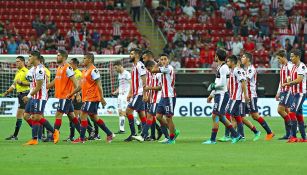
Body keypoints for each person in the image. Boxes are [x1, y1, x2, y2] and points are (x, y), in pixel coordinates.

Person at [68, 53, 115, 143]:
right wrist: (72, 93)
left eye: (85, 58)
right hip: (86, 98)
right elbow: (80, 86)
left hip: (92, 97)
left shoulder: (94, 70)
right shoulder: (84, 71)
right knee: (94, 118)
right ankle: (109, 134)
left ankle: (82, 139)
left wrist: (102, 98)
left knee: (82, 115)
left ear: (90, 60)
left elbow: (99, 85)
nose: (83, 60)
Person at [203, 49, 242, 144]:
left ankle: (212, 139)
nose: (214, 57)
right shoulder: (220, 67)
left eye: (215, 55)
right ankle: (236, 135)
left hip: (222, 94)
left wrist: (214, 86)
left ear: (217, 56)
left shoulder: (223, 67)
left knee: (215, 115)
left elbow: (223, 83)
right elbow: (217, 81)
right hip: (218, 94)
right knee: (220, 116)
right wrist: (211, 94)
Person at [23, 51, 59, 145]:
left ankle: (54, 132)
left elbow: (38, 87)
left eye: (30, 57)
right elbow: (28, 78)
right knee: (27, 116)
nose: (28, 59)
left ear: (35, 57)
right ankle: (35, 137)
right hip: (33, 96)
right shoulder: (32, 69)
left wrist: (28, 96)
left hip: (39, 96)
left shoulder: (40, 70)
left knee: (37, 117)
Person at [46, 50, 81, 140]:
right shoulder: (59, 68)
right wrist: (46, 87)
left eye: (58, 55)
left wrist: (77, 94)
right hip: (62, 96)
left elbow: (75, 82)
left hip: (66, 96)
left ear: (64, 57)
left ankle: (55, 136)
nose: (56, 57)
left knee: (58, 115)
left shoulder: (68, 68)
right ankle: (82, 134)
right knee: (72, 116)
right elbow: (56, 80)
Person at [241, 52, 275, 140]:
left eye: (243, 57)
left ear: (248, 59)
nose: (242, 58)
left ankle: (269, 132)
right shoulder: (245, 69)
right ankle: (241, 135)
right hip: (245, 95)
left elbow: (245, 80)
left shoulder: (251, 69)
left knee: (255, 116)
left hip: (250, 96)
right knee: (240, 116)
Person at [150, 54, 180, 144]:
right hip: (163, 96)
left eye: (165, 59)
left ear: (168, 60)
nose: (163, 61)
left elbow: (153, 70)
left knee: (168, 118)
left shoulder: (168, 68)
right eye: (161, 59)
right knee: (158, 116)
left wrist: (158, 63)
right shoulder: (164, 69)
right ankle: (174, 131)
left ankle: (172, 138)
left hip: (169, 97)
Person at [132, 60, 164, 142]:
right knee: (156, 117)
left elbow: (160, 87)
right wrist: (149, 96)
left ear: (153, 67)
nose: (149, 71)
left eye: (149, 69)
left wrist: (149, 88)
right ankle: (168, 134)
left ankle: (143, 135)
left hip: (158, 99)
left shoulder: (159, 74)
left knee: (153, 117)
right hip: (153, 99)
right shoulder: (153, 75)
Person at [2, 56, 30, 140]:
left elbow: (31, 83)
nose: (16, 63)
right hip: (20, 95)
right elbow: (14, 85)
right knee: (22, 115)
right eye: (16, 61)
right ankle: (15, 135)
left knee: (25, 115)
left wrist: (21, 82)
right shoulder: (18, 72)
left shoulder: (26, 72)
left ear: (22, 62)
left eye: (18, 61)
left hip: (26, 94)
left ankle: (39, 133)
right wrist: (7, 92)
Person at [281, 49, 307, 143]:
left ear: (298, 57)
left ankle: (293, 136)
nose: (290, 58)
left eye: (292, 56)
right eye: (290, 56)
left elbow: (299, 79)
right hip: (294, 93)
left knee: (291, 112)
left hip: (300, 93)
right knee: (299, 115)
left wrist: (288, 84)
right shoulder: (293, 67)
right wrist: (288, 80)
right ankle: (304, 138)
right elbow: (291, 77)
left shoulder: (302, 66)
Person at [124, 48, 147, 142]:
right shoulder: (134, 66)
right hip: (136, 93)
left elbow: (144, 80)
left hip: (140, 93)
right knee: (141, 114)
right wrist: (130, 93)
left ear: (137, 55)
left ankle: (133, 134)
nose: (130, 55)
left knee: (128, 111)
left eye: (132, 54)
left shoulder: (140, 65)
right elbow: (133, 82)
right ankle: (146, 134)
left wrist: (145, 94)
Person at [112, 61, 142, 134]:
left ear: (120, 66)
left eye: (116, 68)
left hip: (126, 95)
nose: (115, 69)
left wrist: (130, 93)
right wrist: (116, 91)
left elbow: (131, 83)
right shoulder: (119, 74)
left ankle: (138, 123)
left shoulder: (127, 74)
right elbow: (121, 85)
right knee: (120, 112)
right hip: (120, 95)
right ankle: (122, 129)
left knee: (125, 113)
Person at [275, 50, 293, 140]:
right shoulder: (282, 66)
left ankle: (294, 127)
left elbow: (292, 77)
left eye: (279, 58)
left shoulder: (289, 66)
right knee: (287, 111)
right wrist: (278, 92)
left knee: (280, 110)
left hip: (288, 90)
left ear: (283, 57)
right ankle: (288, 134)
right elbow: (281, 81)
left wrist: (288, 80)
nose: (278, 60)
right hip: (283, 91)